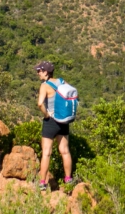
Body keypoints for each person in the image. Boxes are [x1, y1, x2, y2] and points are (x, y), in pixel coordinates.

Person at [34, 61, 76, 190]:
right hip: (64, 120)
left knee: (46, 152)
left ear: (46, 72)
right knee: (64, 150)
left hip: (51, 121)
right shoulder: (62, 81)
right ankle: (68, 179)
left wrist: (47, 115)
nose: (38, 74)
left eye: (39, 71)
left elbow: (40, 103)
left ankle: (42, 182)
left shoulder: (45, 86)